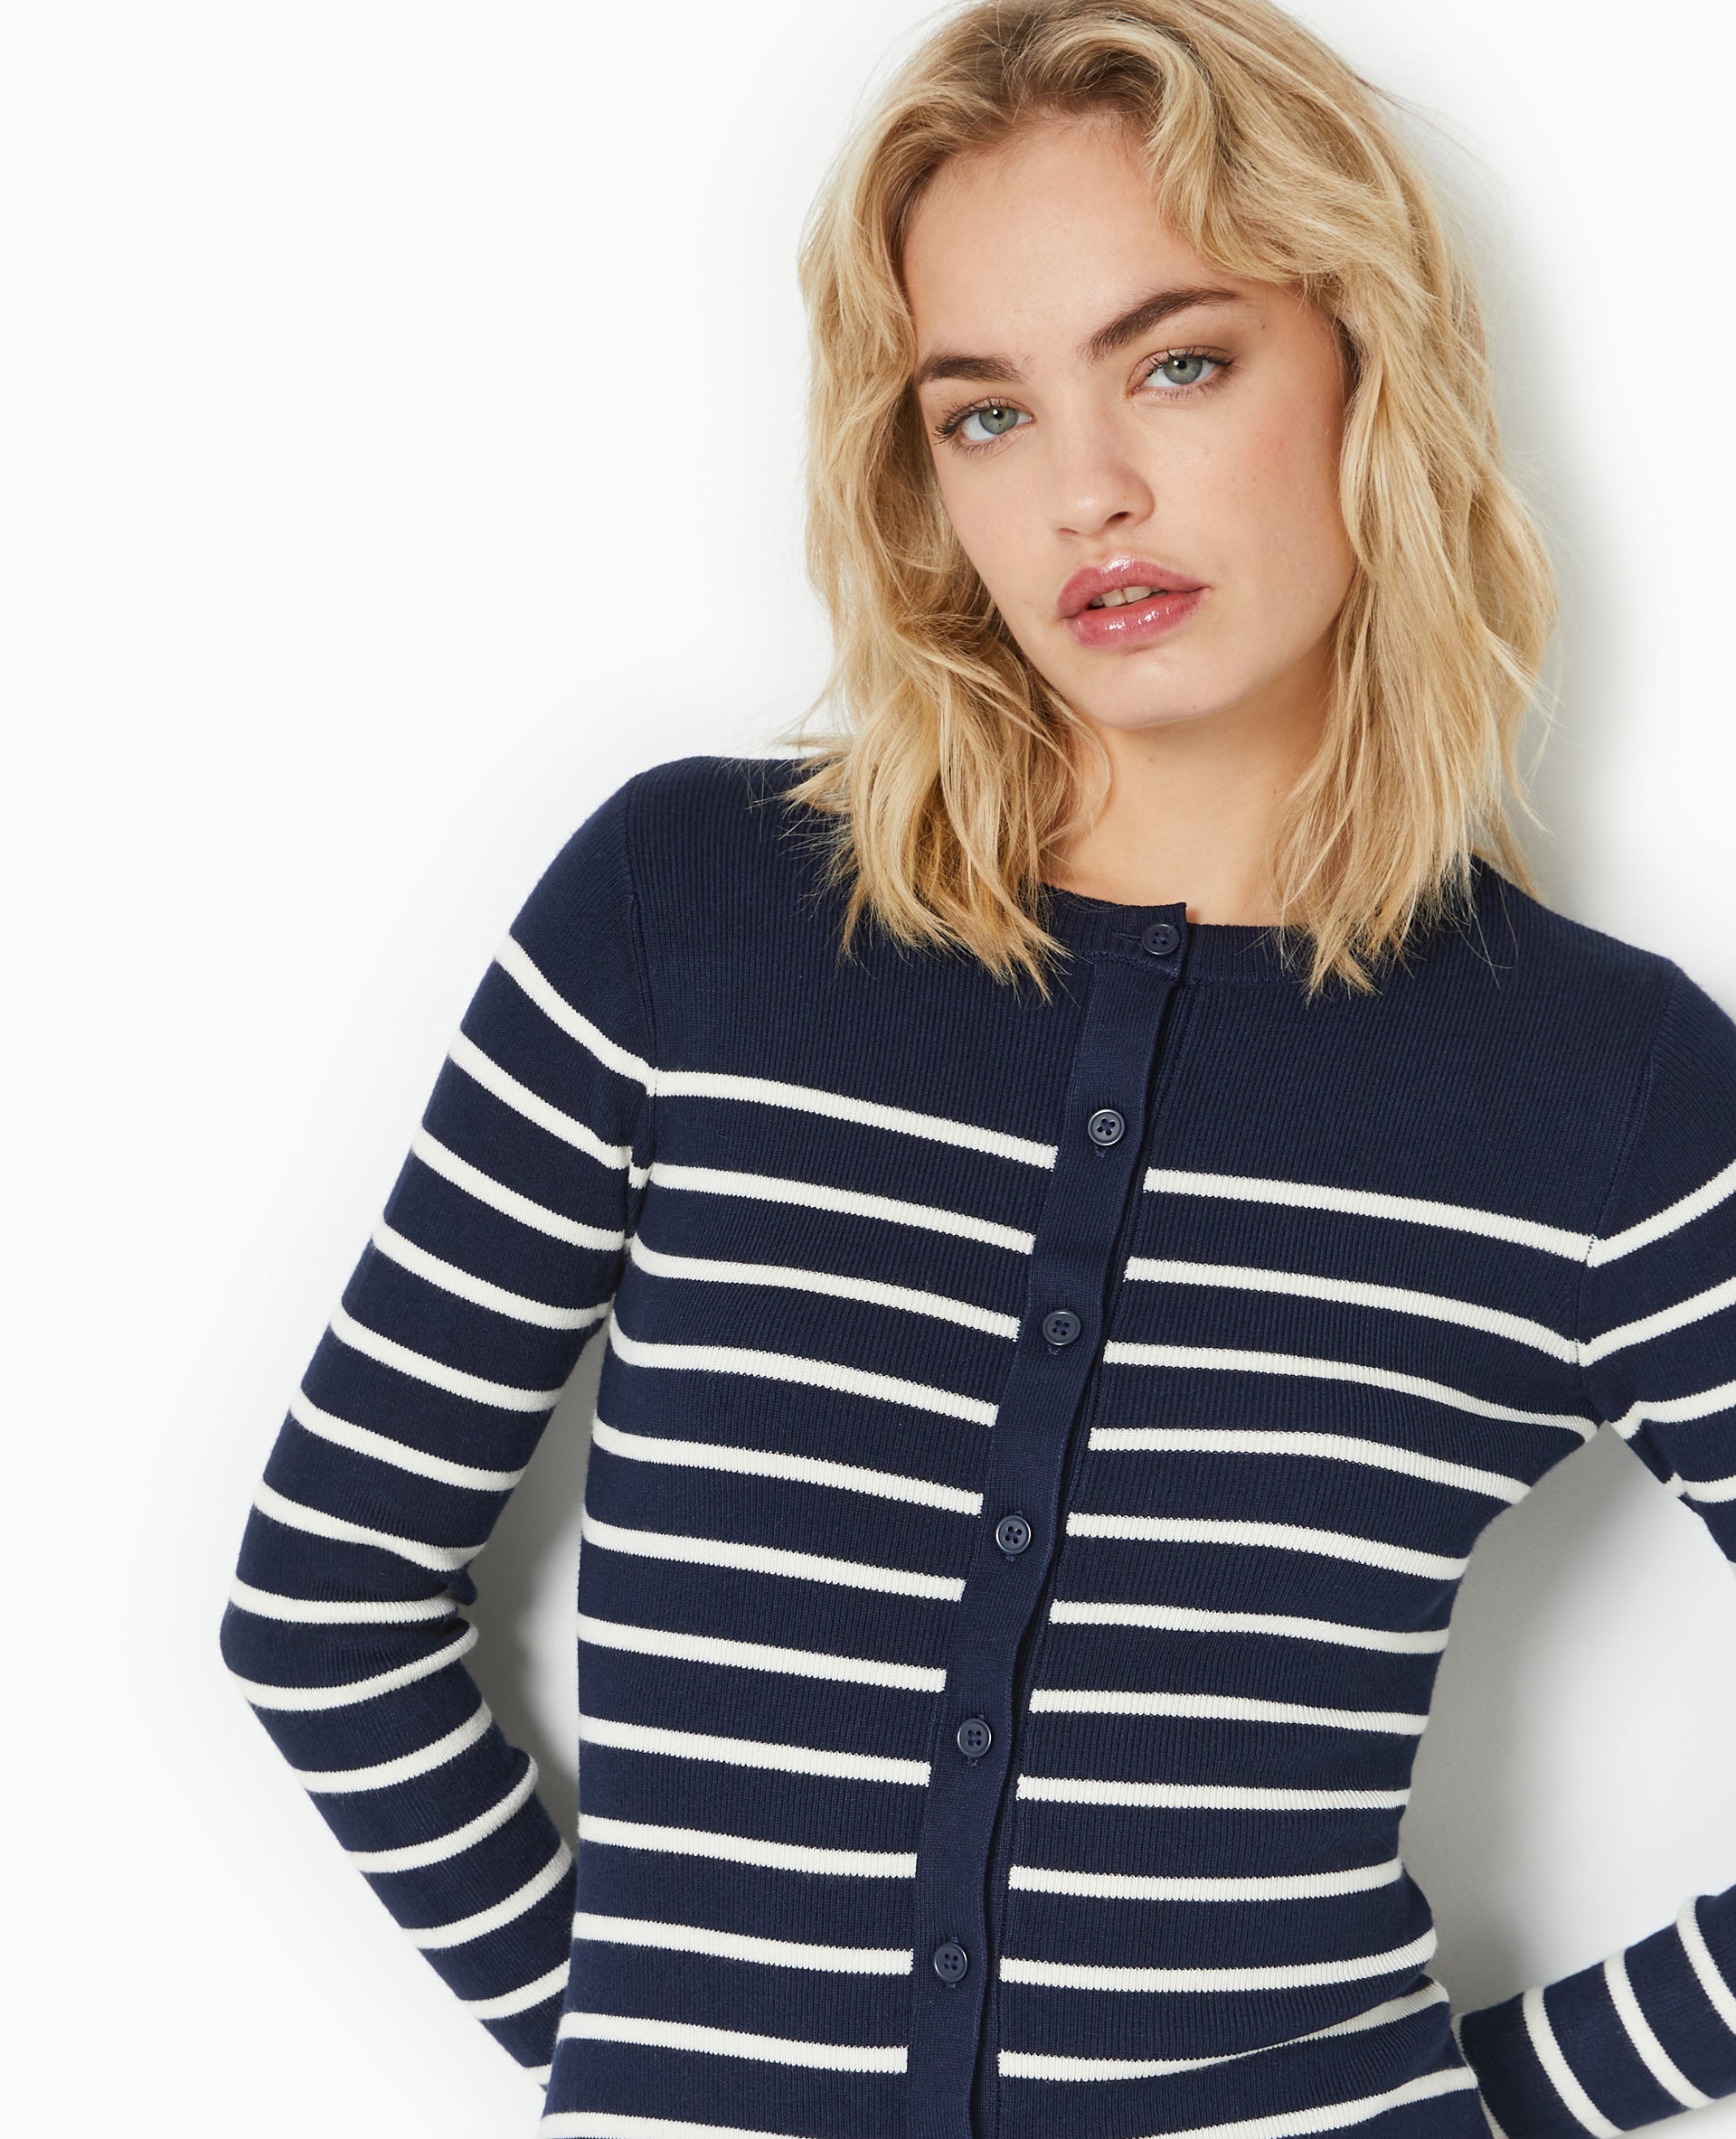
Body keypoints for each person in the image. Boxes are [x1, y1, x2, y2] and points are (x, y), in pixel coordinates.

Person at [219, 3, 1736, 2136]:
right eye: (988, 411)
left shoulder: (1603, 1085)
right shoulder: (690, 914)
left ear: (1365, 362)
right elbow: (322, 1603)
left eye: (1176, 363)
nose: (1087, 487)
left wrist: (1482, 2106)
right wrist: (638, 2066)